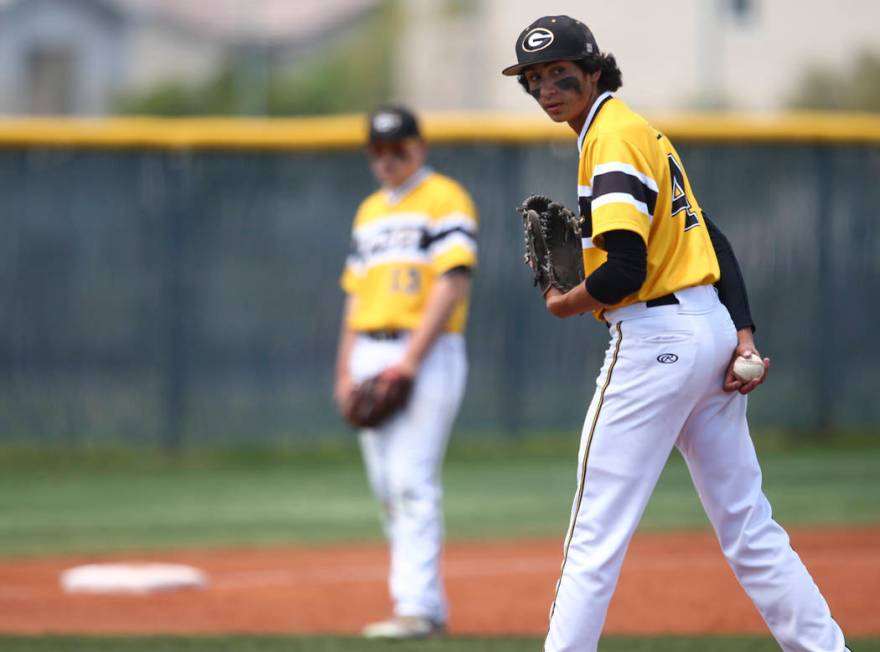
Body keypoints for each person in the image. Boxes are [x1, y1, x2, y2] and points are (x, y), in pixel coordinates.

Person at [501, 15, 850, 652]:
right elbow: (711, 238)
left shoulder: (608, 139)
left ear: (594, 72)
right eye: (534, 79)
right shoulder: (642, 134)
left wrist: (567, 302)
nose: (547, 88)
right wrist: (742, 335)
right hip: (708, 329)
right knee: (749, 527)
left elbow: (627, 270)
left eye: (560, 74)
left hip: (654, 341)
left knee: (593, 535)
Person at [334, 105, 477, 639]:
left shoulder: (445, 198)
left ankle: (416, 609)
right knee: (386, 487)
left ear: (420, 147)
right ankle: (423, 605)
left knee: (411, 481)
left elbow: (453, 282)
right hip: (370, 348)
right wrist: (344, 371)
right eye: (379, 150)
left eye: (400, 148)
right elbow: (355, 296)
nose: (390, 159)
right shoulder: (369, 210)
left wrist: (410, 361)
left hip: (428, 351)